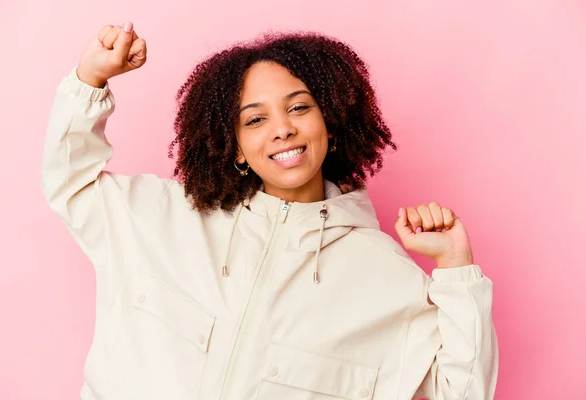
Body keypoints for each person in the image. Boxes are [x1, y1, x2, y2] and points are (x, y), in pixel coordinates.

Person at [41, 21, 498, 400]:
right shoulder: (164, 217)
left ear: (331, 125)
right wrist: (89, 80)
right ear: (235, 147)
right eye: (255, 119)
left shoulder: (384, 275)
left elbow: (458, 393)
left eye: (299, 108)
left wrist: (455, 267)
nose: (282, 129)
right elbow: (71, 182)